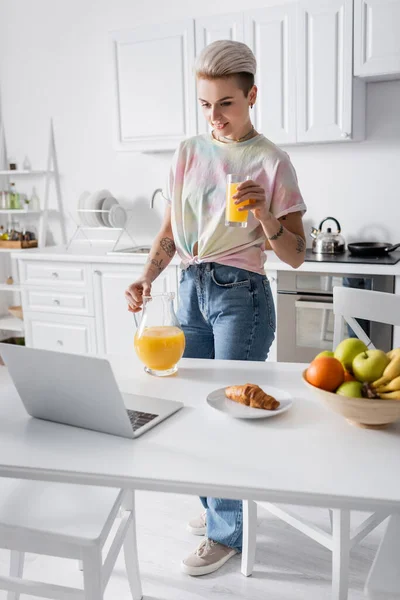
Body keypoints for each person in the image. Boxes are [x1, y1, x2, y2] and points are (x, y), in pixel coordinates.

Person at [125, 40, 307, 577]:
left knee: (233, 417)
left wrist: (267, 217)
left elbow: (294, 254)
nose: (215, 117)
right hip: (190, 285)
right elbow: (170, 231)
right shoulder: (188, 151)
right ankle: (218, 512)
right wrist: (145, 276)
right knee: (193, 409)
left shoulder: (272, 161)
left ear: (251, 96)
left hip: (241, 294)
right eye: (206, 105)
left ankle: (230, 534)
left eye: (225, 103)